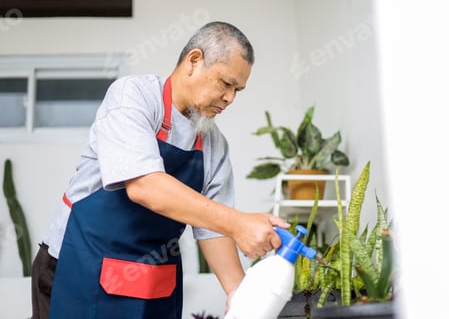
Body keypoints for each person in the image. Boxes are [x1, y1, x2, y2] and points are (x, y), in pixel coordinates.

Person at [31, 21, 289, 319]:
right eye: (225, 83)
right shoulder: (134, 97)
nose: (230, 98)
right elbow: (145, 186)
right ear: (194, 61)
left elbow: (211, 230)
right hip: (77, 265)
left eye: (237, 90)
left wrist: (238, 292)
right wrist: (239, 224)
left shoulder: (214, 145)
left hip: (150, 279)